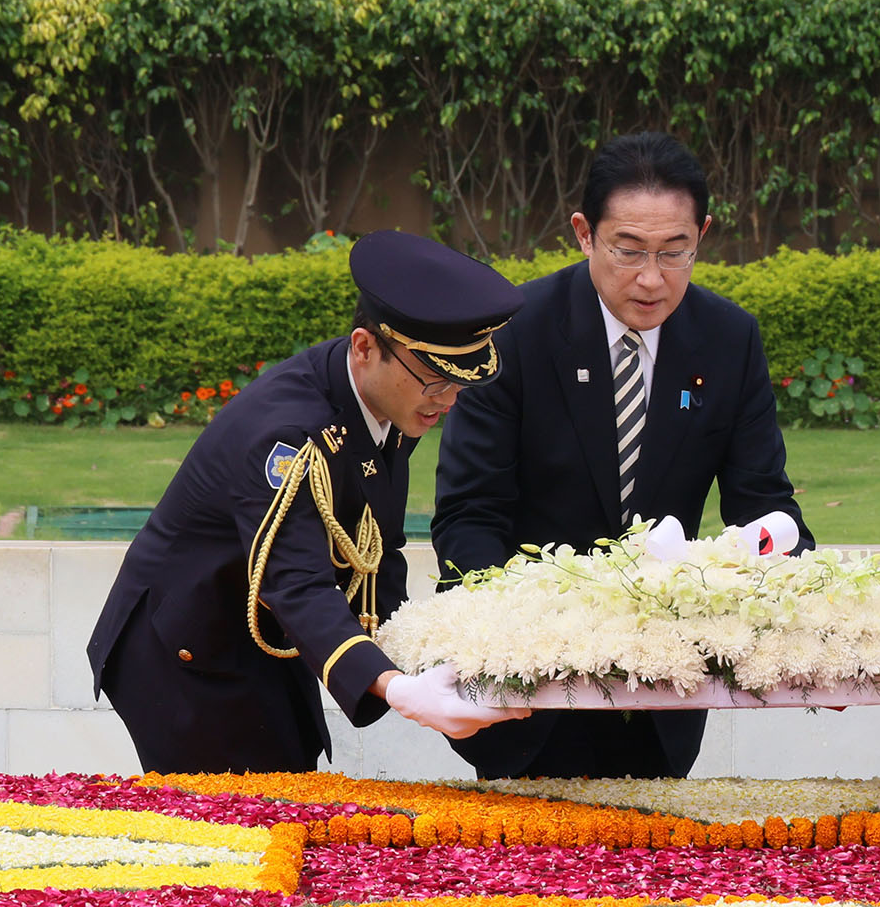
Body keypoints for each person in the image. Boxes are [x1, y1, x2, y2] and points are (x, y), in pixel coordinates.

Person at [433, 132, 809, 780]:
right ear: (584, 233)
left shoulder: (728, 340)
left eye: (675, 252)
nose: (651, 278)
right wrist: (507, 645)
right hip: (529, 697)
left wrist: (785, 580)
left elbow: (766, 504)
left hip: (663, 698)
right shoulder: (515, 334)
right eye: (628, 250)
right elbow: (470, 514)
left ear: (703, 235)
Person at [88, 230, 533, 774]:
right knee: (241, 823)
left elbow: (378, 541)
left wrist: (421, 652)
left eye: (458, 385)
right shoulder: (286, 436)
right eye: (434, 383)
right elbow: (293, 581)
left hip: (262, 633)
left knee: (292, 774)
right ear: (365, 346)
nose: (447, 401)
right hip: (185, 647)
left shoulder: (387, 397)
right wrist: (398, 688)